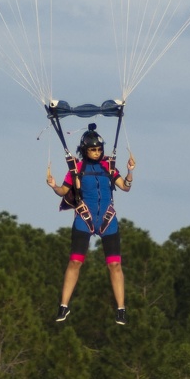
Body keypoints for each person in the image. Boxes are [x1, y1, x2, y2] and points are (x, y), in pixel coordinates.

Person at [47, 126, 136, 325]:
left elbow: (125, 187)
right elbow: (63, 191)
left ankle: (121, 309)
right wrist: (53, 185)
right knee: (75, 262)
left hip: (107, 220)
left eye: (99, 149)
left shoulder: (109, 167)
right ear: (85, 150)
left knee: (115, 265)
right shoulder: (76, 169)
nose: (97, 152)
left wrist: (130, 172)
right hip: (84, 219)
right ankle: (63, 305)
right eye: (93, 150)